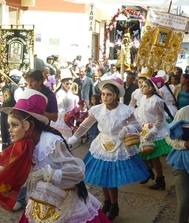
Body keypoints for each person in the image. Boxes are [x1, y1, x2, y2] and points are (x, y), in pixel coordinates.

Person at [0, 88, 111, 223]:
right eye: (10, 125)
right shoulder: (23, 145)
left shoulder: (52, 143)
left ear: (28, 125)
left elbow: (77, 172)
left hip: (65, 205)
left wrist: (48, 174)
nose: (10, 130)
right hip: (39, 203)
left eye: (14, 125)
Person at [68, 78, 149, 221]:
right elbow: (85, 125)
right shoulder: (97, 109)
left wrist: (127, 128)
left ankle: (114, 205)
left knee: (111, 180)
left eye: (108, 94)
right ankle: (106, 203)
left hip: (119, 147)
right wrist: (73, 138)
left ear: (116, 96)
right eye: (103, 94)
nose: (105, 97)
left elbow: (137, 126)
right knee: (102, 177)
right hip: (101, 145)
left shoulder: (125, 110)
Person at [136, 77, 172, 189]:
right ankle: (148, 172)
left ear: (152, 88)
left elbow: (160, 119)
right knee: (141, 152)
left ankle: (160, 180)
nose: (142, 88)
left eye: (145, 86)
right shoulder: (142, 98)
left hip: (156, 130)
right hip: (144, 128)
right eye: (141, 85)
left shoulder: (157, 100)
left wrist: (153, 132)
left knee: (154, 157)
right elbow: (140, 114)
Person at [166, 105, 189, 223]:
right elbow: (168, 137)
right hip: (182, 164)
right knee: (184, 201)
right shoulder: (183, 112)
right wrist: (184, 144)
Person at [50, 69, 79, 138]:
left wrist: (75, 111)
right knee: (62, 137)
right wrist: (65, 114)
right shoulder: (60, 93)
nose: (69, 86)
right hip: (62, 119)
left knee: (68, 138)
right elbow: (59, 106)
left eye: (70, 84)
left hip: (69, 118)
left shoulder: (70, 93)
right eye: (67, 84)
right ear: (62, 84)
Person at [0, 69, 23, 150]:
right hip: (12, 113)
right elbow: (19, 103)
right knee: (11, 133)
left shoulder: (5, 87)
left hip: (3, 112)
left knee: (4, 134)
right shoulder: (17, 88)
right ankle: (10, 151)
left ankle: (4, 150)